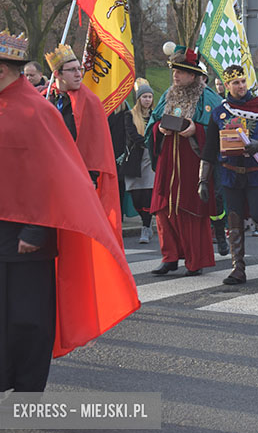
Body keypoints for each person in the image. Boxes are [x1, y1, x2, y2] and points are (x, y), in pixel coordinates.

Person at [0, 31, 139, 392]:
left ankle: (27, 388)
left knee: (27, 318)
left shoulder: (38, 112)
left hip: (26, 234)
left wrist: (36, 232)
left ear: (5, 70)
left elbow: (57, 176)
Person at [201, 65, 258, 285]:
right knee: (233, 218)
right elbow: (209, 148)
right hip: (230, 173)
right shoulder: (220, 112)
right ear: (227, 86)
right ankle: (238, 268)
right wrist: (203, 179)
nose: (240, 86)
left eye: (243, 81)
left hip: (256, 172)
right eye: (235, 83)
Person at [147, 46, 220, 276]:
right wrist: (159, 130)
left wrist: (196, 130)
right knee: (163, 209)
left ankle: (194, 260)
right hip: (168, 160)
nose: (175, 76)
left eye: (180, 72)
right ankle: (169, 257)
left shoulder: (208, 97)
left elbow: (220, 129)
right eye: (174, 71)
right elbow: (154, 123)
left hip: (192, 162)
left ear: (193, 75)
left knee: (190, 210)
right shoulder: (167, 95)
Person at [44, 44, 123, 245]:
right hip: (49, 178)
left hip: (79, 178)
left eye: (80, 69)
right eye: (72, 70)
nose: (79, 74)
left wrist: (91, 177)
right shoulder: (45, 98)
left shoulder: (91, 101)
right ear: (57, 74)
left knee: (77, 238)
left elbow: (96, 144)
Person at [123, 79, 157, 244]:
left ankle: (146, 226)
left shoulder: (155, 115)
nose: (147, 100)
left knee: (148, 195)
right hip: (136, 158)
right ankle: (145, 220)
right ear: (138, 99)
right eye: (144, 97)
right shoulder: (129, 115)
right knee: (136, 196)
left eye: (150, 97)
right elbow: (131, 134)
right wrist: (145, 142)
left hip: (149, 159)